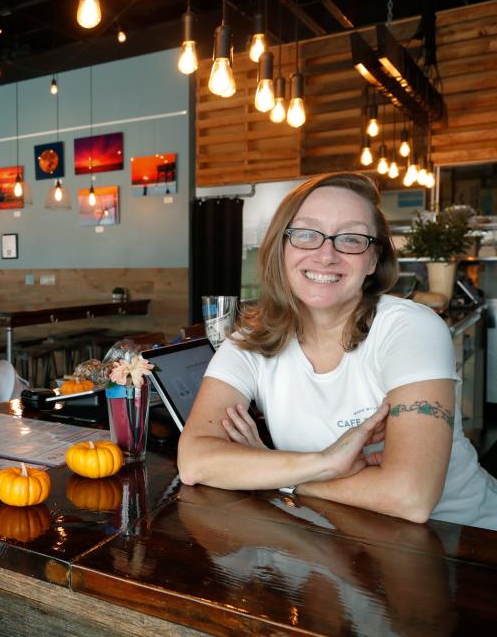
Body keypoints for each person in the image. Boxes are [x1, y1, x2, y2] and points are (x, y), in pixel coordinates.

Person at [178, 172, 497, 530]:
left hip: (466, 545)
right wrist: (325, 462)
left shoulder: (409, 329)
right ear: (281, 247)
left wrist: (268, 467)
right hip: (349, 547)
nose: (326, 254)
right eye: (306, 234)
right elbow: (194, 460)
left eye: (351, 239)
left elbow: (410, 497)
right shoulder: (250, 341)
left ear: (374, 259)